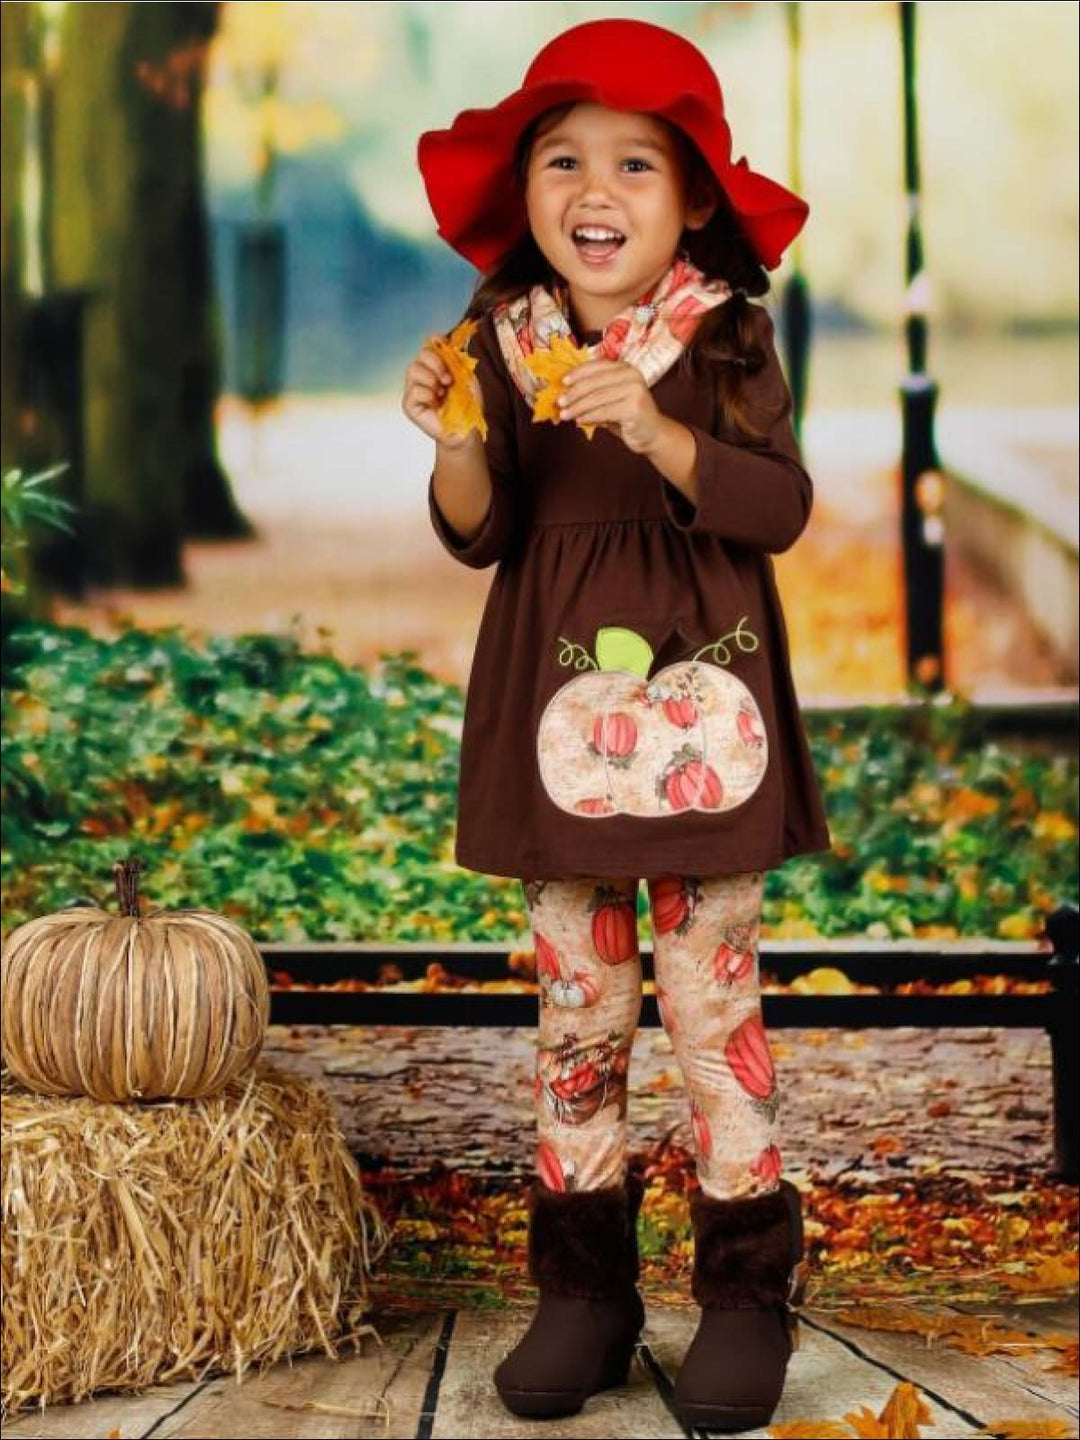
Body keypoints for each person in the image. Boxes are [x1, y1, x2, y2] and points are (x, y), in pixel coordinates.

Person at [404, 17, 827, 1430]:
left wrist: (656, 431)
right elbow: (482, 529)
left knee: (713, 1013)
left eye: (635, 163)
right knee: (578, 1017)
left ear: (693, 198)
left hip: (705, 711)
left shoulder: (726, 333)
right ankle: (584, 1295)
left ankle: (746, 1297)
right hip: (560, 718)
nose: (596, 190)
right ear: (524, 192)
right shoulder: (503, 339)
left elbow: (779, 506)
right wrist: (460, 441)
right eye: (563, 160)